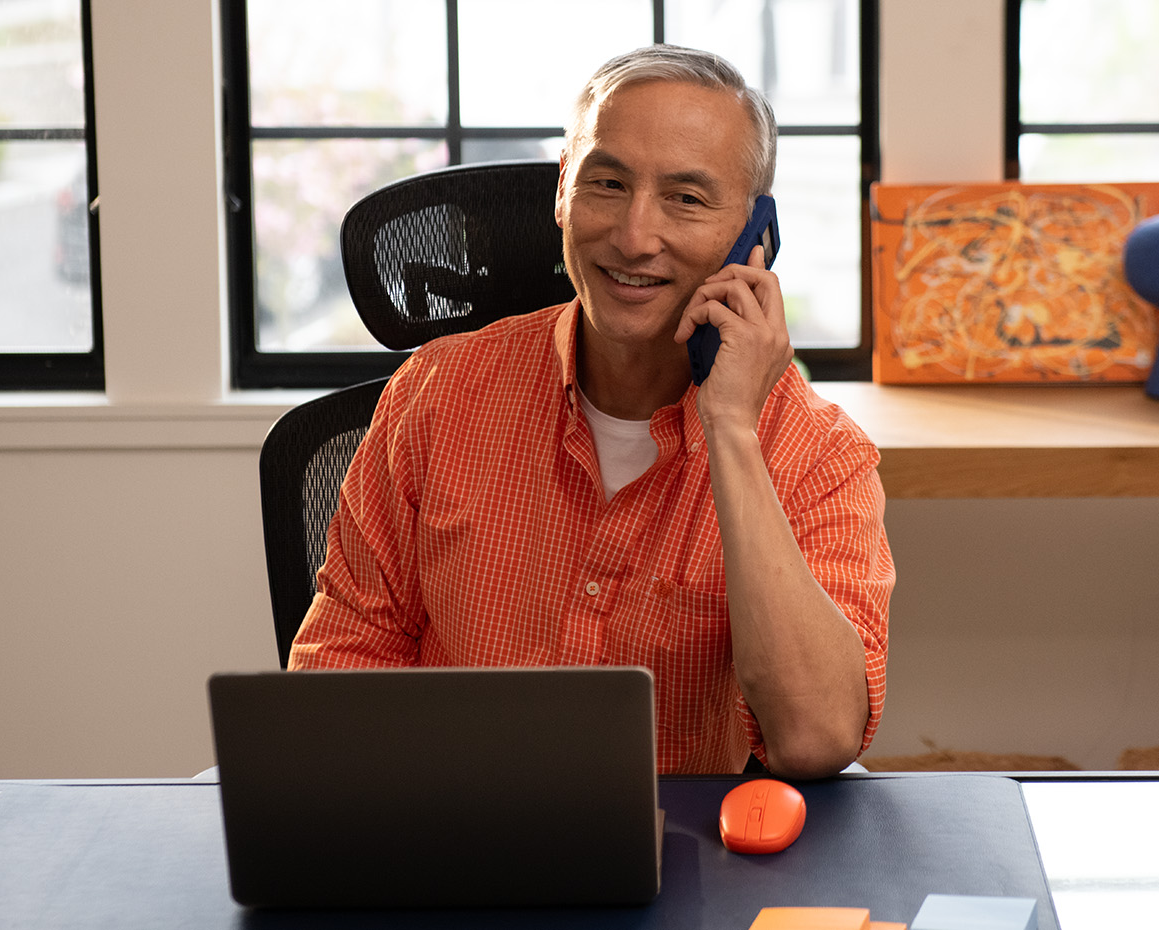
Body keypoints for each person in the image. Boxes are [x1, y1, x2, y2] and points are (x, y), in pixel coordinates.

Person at [289, 44, 894, 779]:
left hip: (685, 863)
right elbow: (341, 671)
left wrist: (732, 430)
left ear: (755, 236)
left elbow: (816, 739)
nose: (635, 237)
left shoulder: (819, 454)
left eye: (687, 198)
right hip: (450, 835)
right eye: (606, 183)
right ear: (563, 194)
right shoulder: (436, 394)